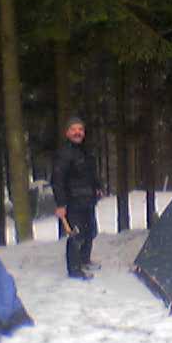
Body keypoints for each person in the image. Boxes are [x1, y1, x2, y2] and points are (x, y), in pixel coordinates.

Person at [51, 117, 103, 280]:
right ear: (67, 133)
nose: (77, 132)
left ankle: (84, 260)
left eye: (80, 129)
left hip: (88, 199)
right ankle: (74, 269)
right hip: (72, 202)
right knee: (76, 235)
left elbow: (91, 173)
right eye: (73, 129)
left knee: (90, 231)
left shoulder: (86, 151)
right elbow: (57, 180)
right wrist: (60, 204)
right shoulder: (64, 154)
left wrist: (98, 187)